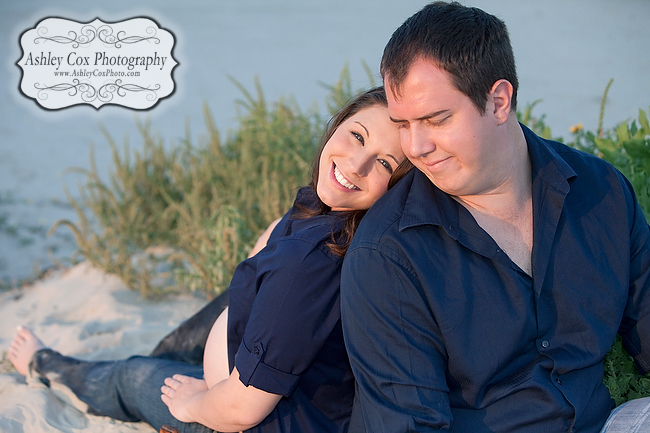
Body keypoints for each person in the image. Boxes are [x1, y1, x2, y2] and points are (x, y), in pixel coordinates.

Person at [8, 86, 406, 433]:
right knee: (180, 340)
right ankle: (160, 362)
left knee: (129, 377)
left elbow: (242, 409)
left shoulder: (310, 265)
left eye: (385, 162)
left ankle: (46, 365)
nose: (356, 163)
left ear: (398, 187)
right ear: (338, 124)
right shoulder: (334, 216)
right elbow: (272, 247)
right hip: (249, 379)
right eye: (357, 135)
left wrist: (196, 403)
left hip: (236, 421)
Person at [340, 2, 650, 432]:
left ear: (499, 101)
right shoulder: (388, 255)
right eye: (403, 124)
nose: (417, 146)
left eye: (436, 119)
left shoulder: (602, 194)